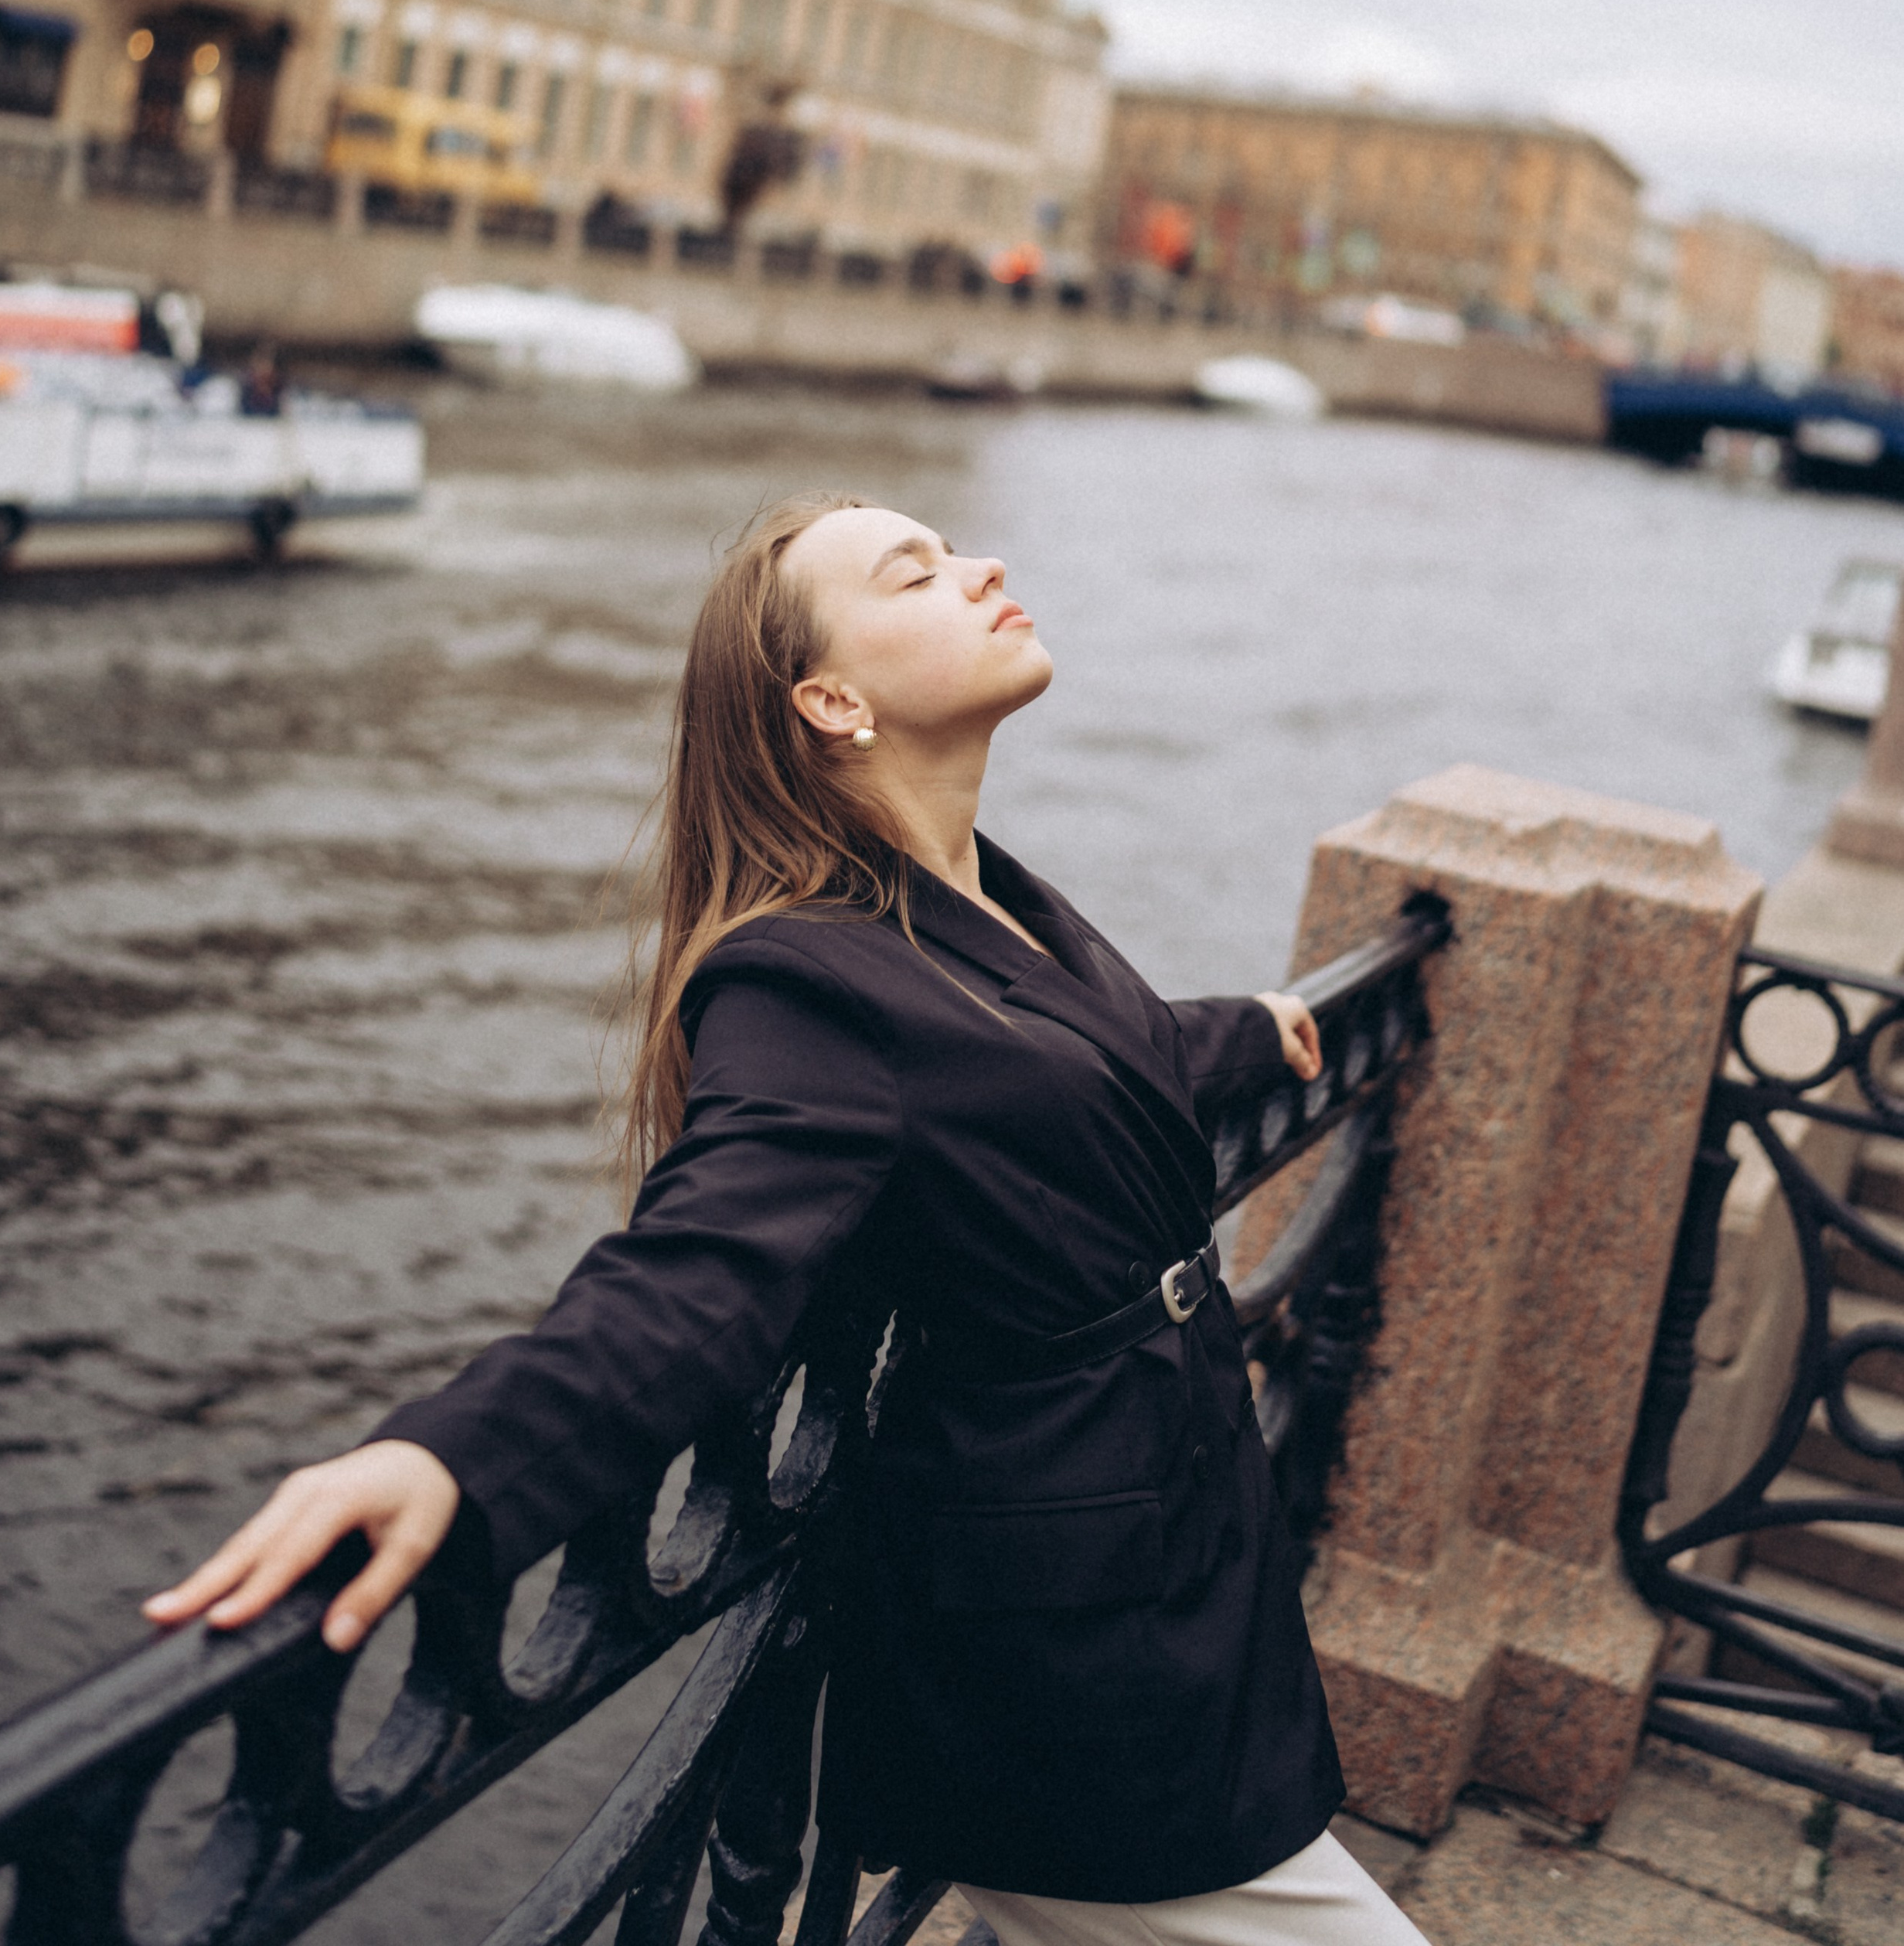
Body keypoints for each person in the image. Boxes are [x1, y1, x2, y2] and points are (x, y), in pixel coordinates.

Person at [146, 496, 1427, 1944]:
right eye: (920, 573)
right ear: (832, 701)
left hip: (1173, 1577)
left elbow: (1080, 1067)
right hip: (1069, 1670)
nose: (985, 569)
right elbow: (696, 1277)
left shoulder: (976, 893)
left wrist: (1257, 1032)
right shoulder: (798, 980)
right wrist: (454, 1453)